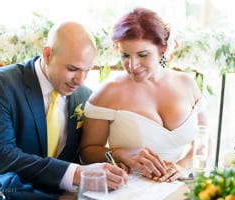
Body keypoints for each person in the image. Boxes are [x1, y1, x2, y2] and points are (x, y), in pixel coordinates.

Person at [0, 21, 128, 198]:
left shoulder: (84, 96)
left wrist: (113, 165)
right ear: (47, 55)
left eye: (87, 71)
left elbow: (84, 153)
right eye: (72, 69)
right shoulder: (1, 84)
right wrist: (77, 173)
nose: (80, 80)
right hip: (2, 191)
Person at [80, 8, 208, 182]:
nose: (132, 65)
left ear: (162, 48)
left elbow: (204, 138)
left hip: (177, 187)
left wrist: (183, 166)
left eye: (142, 55)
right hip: (129, 190)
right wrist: (118, 154)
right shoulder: (107, 93)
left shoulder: (187, 84)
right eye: (125, 55)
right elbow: (87, 153)